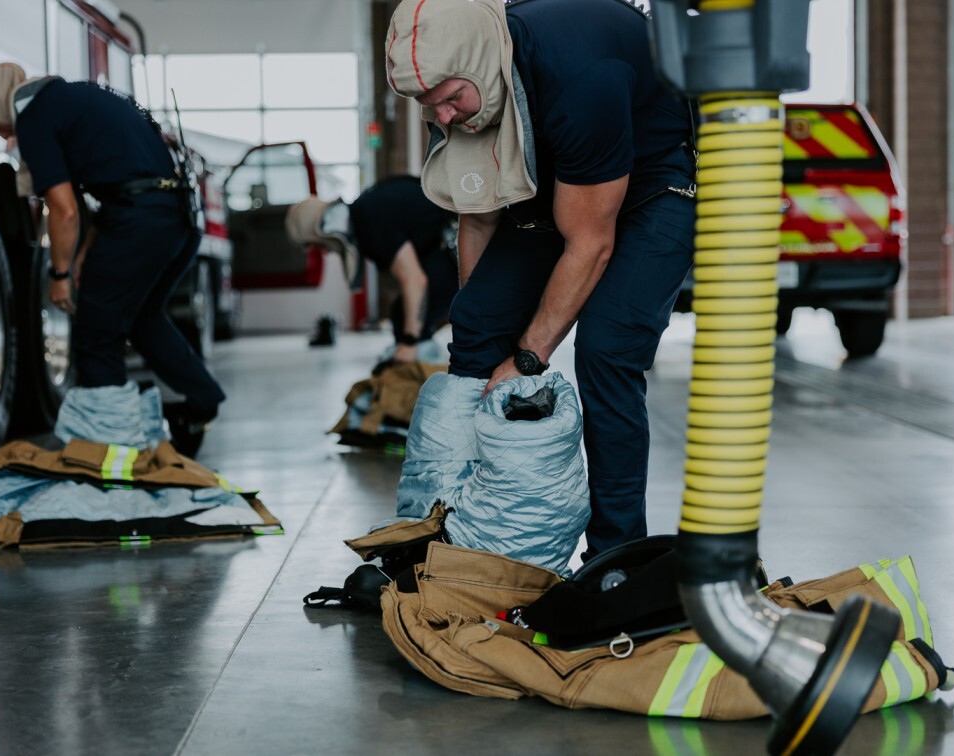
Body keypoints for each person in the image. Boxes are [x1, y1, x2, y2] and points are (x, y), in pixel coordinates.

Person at [386, 0, 697, 557]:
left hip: (657, 183)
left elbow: (590, 242)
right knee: (476, 322)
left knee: (607, 350)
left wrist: (527, 357)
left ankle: (613, 555)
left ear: (482, 64)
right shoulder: (460, 93)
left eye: (452, 99)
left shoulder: (582, 78)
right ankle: (465, 536)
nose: (444, 118)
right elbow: (479, 217)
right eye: (429, 107)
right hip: (561, 180)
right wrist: (483, 321)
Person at [0, 63, 225, 455]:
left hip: (141, 221)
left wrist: (60, 275)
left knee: (96, 334)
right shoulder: (72, 97)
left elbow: (64, 210)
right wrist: (86, 251)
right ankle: (203, 398)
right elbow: (119, 178)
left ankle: (114, 450)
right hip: (179, 217)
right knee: (142, 318)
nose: (2, 134)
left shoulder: (34, 118)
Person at [286, 176, 458, 363]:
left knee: (406, 319)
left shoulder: (369, 222)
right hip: (448, 241)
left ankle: (420, 365)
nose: (325, 252)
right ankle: (419, 357)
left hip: (457, 245)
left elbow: (415, 280)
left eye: (318, 245)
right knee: (403, 315)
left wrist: (410, 341)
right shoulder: (365, 209)